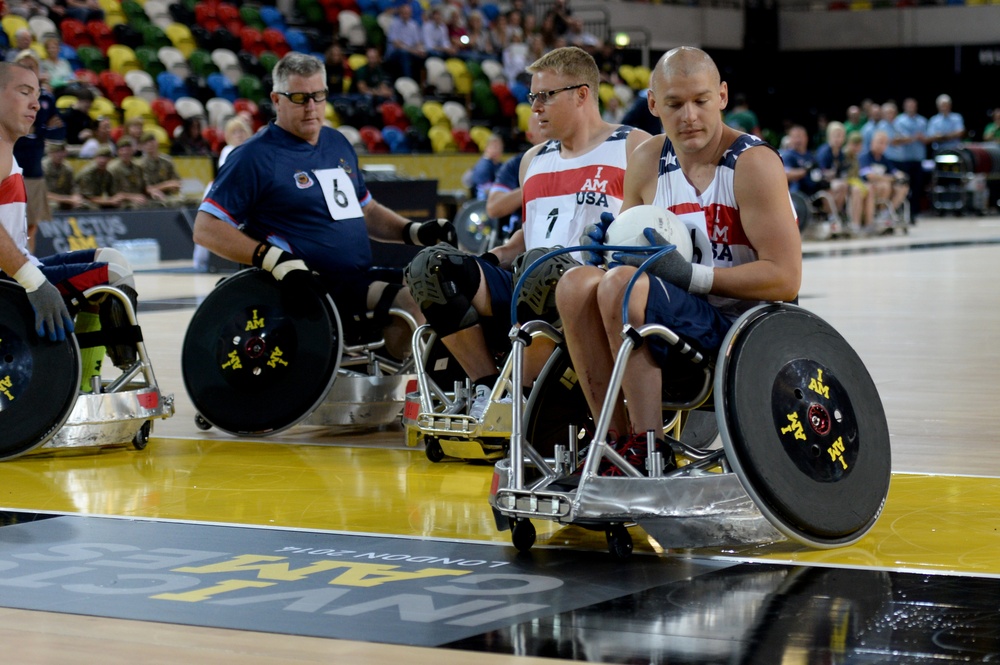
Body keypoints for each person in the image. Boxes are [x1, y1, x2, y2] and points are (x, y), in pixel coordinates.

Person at [555, 46, 800, 473]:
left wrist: (692, 277)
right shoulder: (646, 160)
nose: (689, 116)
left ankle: (650, 449)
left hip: (744, 328)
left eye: (700, 101)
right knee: (576, 283)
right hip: (675, 317)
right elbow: (621, 261)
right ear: (653, 105)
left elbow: (785, 279)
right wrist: (607, 249)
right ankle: (610, 442)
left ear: (722, 96)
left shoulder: (753, 163)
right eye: (674, 104)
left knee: (621, 284)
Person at [406, 46, 651, 419]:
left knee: (542, 264)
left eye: (545, 96)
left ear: (582, 94)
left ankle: (522, 391)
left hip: (588, 291)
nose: (534, 107)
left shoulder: (633, 146)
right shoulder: (532, 160)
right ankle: (489, 388)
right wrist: (485, 262)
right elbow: (527, 233)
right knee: (431, 267)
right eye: (532, 96)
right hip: (527, 280)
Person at [193, 52, 454, 359]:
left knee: (442, 286)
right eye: (300, 98)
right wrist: (270, 258)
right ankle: (402, 390)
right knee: (411, 302)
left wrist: (413, 231)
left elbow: (366, 210)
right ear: (276, 100)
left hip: (356, 276)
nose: (311, 107)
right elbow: (206, 228)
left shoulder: (336, 143)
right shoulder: (254, 157)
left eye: (318, 96)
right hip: (309, 287)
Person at [0, 62, 138, 391]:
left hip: (15, 271)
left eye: (37, 94)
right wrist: (33, 281)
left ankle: (84, 379)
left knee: (111, 258)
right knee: (113, 277)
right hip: (9, 283)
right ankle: (99, 380)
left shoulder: (8, 149)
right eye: (24, 92)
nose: (36, 103)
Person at [12, 50, 64, 254]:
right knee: (10, 223)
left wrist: (39, 130)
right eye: (23, 65)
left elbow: (59, 128)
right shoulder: (7, 95)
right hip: (9, 168)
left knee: (31, 224)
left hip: (34, 170)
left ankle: (30, 261)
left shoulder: (47, 98)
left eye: (32, 66)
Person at [859, 129, 909, 231]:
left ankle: (886, 213)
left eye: (884, 143)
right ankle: (878, 214)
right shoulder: (865, 157)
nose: (881, 145)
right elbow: (869, 176)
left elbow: (895, 172)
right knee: (884, 185)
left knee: (902, 188)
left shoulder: (884, 159)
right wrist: (889, 178)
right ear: (872, 142)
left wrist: (901, 176)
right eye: (879, 142)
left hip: (883, 187)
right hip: (868, 188)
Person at [893, 97, 928, 223]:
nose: (911, 108)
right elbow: (898, 139)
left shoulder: (922, 121)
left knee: (917, 187)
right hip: (904, 160)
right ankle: (904, 212)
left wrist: (921, 138)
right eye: (909, 105)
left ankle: (914, 212)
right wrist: (913, 138)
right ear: (904, 107)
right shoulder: (899, 121)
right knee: (905, 186)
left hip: (918, 159)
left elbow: (928, 138)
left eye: (913, 105)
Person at [42, 140, 89, 210]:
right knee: (54, 206)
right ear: (50, 153)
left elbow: (73, 187)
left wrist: (76, 196)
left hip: (64, 198)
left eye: (62, 152)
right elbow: (42, 194)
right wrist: (68, 199)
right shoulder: (42, 168)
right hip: (44, 199)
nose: (59, 155)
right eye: (56, 152)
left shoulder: (67, 168)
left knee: (83, 205)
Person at [138, 131, 183, 205]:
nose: (150, 145)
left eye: (152, 141)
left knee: (192, 201)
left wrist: (156, 188)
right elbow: (145, 189)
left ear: (157, 143)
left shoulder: (167, 161)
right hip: (149, 199)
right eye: (146, 143)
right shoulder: (140, 165)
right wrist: (167, 185)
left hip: (168, 196)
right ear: (142, 147)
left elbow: (176, 183)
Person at [107, 137, 150, 208]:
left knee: (158, 205)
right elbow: (114, 194)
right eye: (122, 150)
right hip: (121, 202)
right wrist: (132, 197)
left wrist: (152, 191)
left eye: (128, 150)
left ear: (132, 151)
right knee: (135, 207)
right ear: (118, 152)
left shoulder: (138, 168)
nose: (125, 152)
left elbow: (144, 187)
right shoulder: (113, 169)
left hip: (139, 199)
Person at [463, 132, 504, 201]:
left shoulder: (500, 165)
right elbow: (487, 191)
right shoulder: (483, 166)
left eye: (499, 147)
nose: (497, 150)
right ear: (486, 148)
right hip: (482, 205)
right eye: (494, 146)